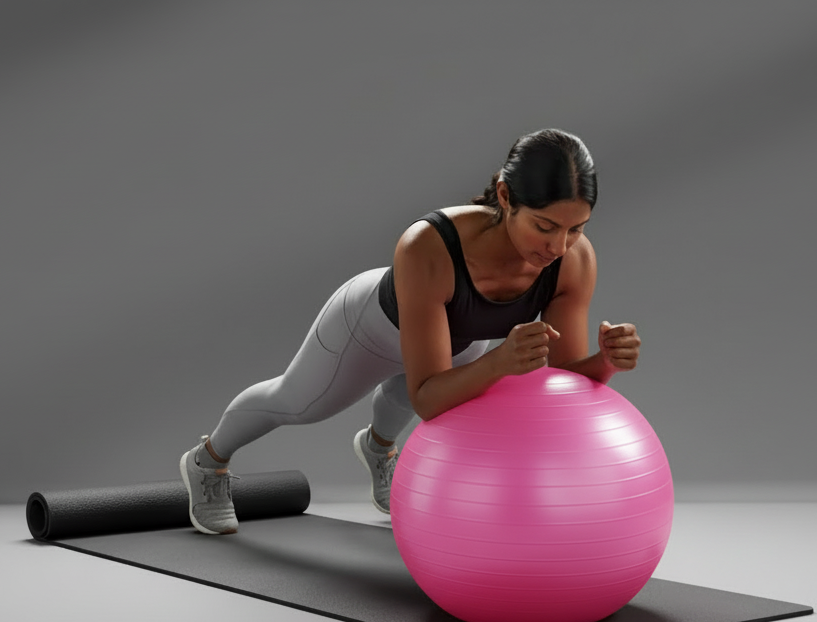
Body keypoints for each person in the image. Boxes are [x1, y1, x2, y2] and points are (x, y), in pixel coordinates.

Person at [180, 128, 641, 534]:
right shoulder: (428, 244)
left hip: (460, 338)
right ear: (505, 197)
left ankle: (378, 449)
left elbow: (559, 384)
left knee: (412, 395)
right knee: (297, 403)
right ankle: (208, 461)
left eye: (576, 229)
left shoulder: (573, 261)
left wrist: (605, 361)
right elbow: (430, 397)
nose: (559, 247)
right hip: (368, 329)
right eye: (545, 227)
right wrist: (499, 363)